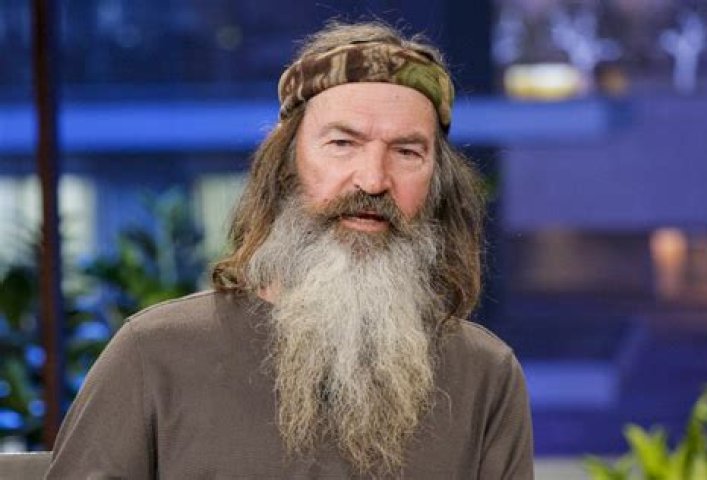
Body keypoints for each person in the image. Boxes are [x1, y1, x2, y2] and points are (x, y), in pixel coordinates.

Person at [46, 21, 534, 479]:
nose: (372, 179)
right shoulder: (155, 353)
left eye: (407, 152)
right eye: (342, 143)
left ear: (436, 183)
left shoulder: (484, 375)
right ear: (284, 166)